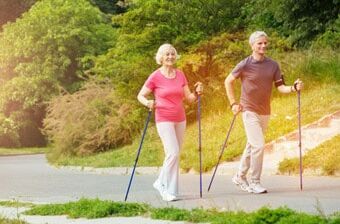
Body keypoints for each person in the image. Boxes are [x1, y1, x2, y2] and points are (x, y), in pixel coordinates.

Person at [224, 31, 303, 194]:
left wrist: (294, 88)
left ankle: (239, 176)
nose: (263, 46)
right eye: (259, 43)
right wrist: (233, 103)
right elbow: (228, 81)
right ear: (252, 45)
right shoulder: (244, 64)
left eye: (265, 43)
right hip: (248, 109)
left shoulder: (273, 65)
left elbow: (280, 87)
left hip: (265, 111)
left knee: (252, 145)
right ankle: (254, 181)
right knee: (259, 145)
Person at [137, 43, 203, 201]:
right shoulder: (155, 76)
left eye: (172, 54)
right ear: (160, 57)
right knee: (172, 152)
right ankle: (161, 183)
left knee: (175, 154)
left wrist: (197, 92)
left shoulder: (180, 74)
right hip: (163, 118)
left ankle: (172, 190)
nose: (170, 57)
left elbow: (189, 98)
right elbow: (140, 95)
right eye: (167, 54)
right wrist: (148, 103)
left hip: (180, 118)